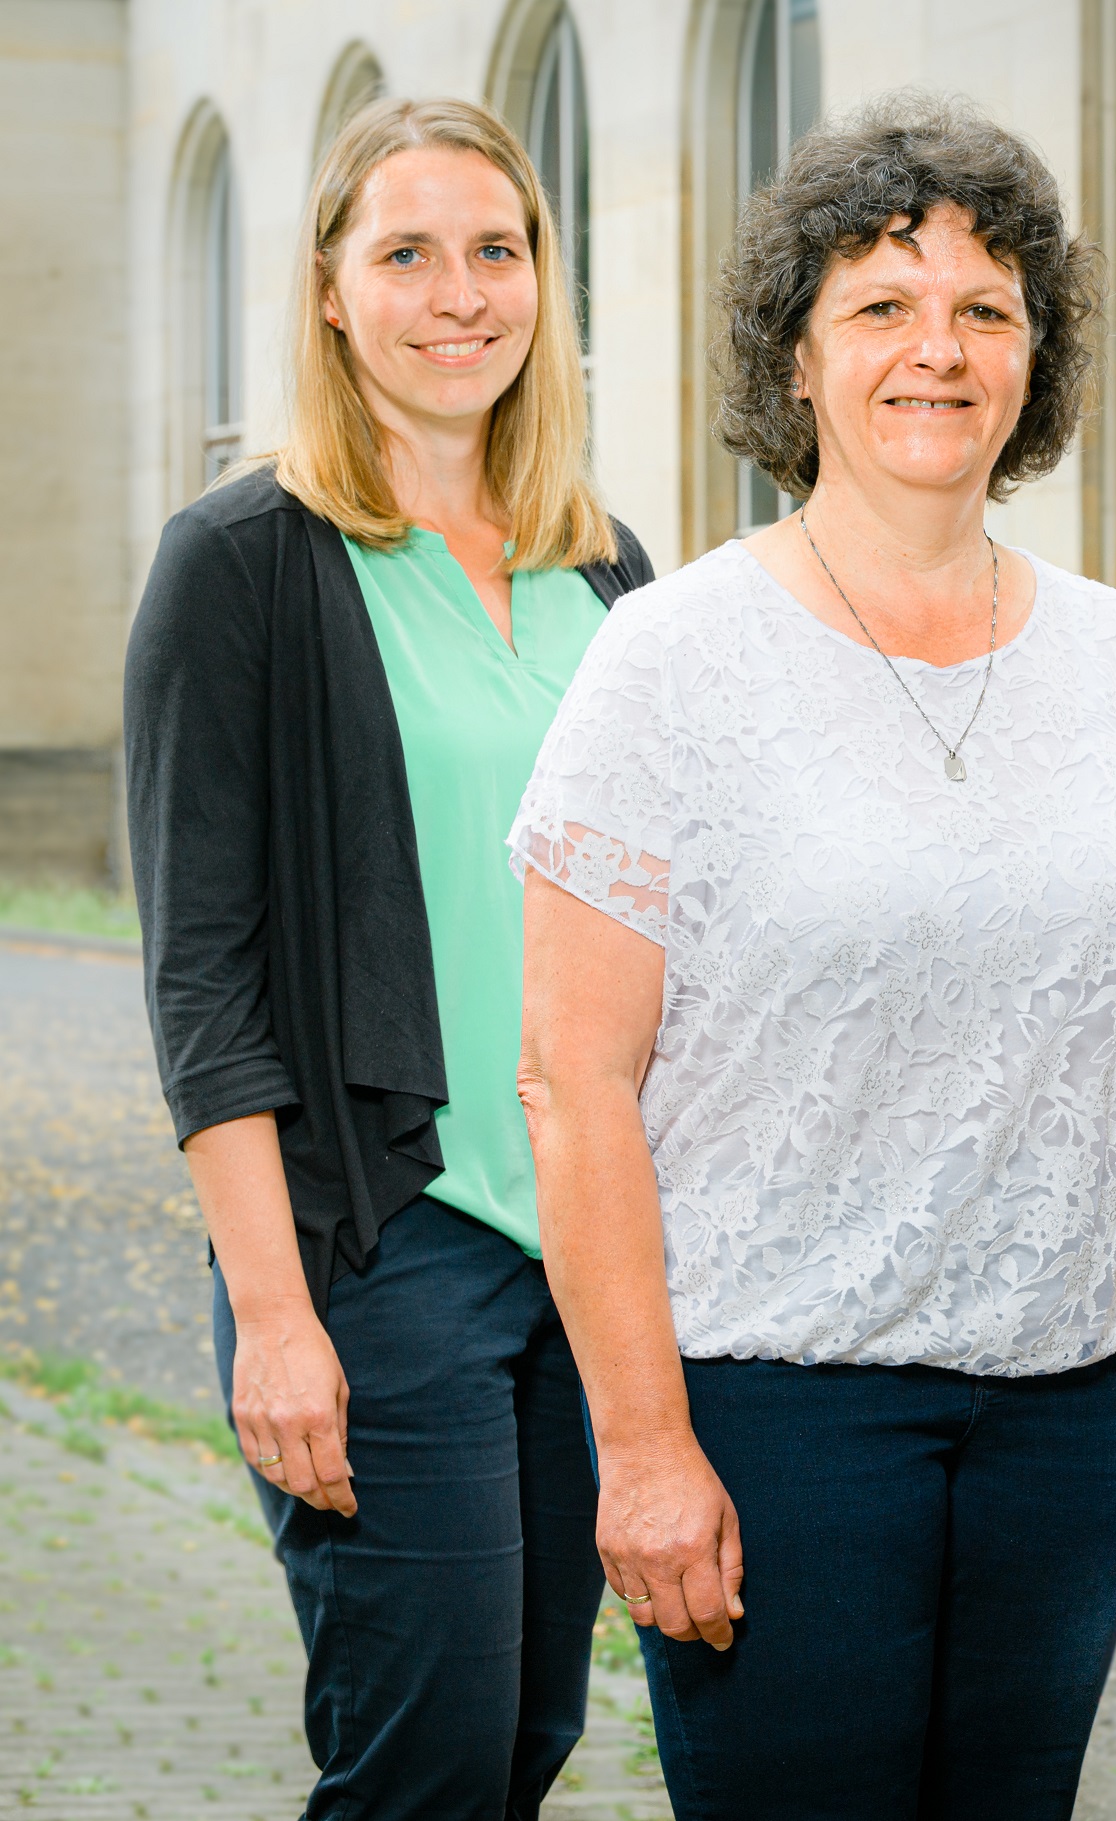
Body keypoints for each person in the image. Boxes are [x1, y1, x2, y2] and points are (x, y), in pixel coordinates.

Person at [510, 93, 1116, 1821]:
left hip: (1073, 1412)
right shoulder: (670, 660)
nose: (939, 350)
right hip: (776, 1418)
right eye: (883, 306)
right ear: (796, 356)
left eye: (984, 310)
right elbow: (573, 1083)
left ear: (1036, 358)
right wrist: (640, 1449)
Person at [123, 99, 654, 1818]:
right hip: (383, 1242)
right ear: (332, 293)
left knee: (526, 1740)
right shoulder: (242, 566)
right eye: (406, 253)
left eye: (496, 251)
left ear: (543, 287)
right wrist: (274, 1316)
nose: (459, 293)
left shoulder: (609, 570)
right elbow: (202, 977)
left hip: (593, 1250)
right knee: (418, 1756)